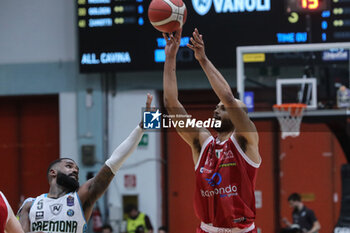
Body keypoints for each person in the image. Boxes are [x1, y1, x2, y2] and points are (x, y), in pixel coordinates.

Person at [162, 28, 261, 233]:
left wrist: (203, 60)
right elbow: (171, 102)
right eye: (216, 106)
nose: (217, 108)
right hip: (206, 229)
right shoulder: (202, 142)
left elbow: (228, 98)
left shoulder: (245, 140)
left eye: (223, 109)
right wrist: (170, 57)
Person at [17, 94, 154, 233]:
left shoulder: (81, 197)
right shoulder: (30, 204)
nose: (75, 171)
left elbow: (113, 162)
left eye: (77, 169)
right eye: (69, 166)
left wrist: (141, 129)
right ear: (53, 172)